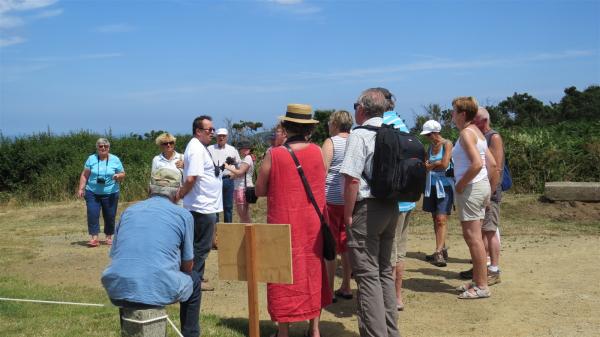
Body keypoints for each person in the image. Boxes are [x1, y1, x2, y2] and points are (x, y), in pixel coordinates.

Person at [255, 104, 330, 337]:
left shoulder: (274, 154)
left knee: (282, 273)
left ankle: (284, 331)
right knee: (313, 271)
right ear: (307, 128)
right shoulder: (318, 151)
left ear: (285, 127)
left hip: (283, 221)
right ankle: (314, 329)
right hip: (313, 224)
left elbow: (259, 189)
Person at [101, 168, 200, 337]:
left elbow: (116, 255)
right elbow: (188, 264)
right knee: (195, 279)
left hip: (116, 286)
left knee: (129, 276)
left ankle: (127, 330)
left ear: (149, 189)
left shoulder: (128, 212)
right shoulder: (183, 215)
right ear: (178, 193)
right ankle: (190, 334)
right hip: (155, 286)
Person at [340, 88, 401, 337]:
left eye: (355, 105)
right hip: (391, 207)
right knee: (385, 271)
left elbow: (352, 180)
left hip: (367, 208)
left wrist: (347, 214)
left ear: (362, 109)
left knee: (366, 276)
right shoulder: (394, 133)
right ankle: (390, 331)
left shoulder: (360, 135)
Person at [451, 97, 498, 299]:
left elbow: (478, 163)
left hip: (470, 189)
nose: (451, 115)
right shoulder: (478, 132)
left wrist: (461, 184)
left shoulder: (465, 134)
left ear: (462, 114)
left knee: (473, 239)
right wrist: (489, 190)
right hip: (481, 188)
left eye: (453, 111)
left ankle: (481, 286)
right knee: (476, 237)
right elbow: (493, 164)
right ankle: (480, 280)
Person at [378, 88, 417, 312]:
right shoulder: (402, 125)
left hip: (391, 201)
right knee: (400, 251)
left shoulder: (381, 125)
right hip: (408, 199)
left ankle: (389, 300)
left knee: (388, 253)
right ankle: (398, 297)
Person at [176, 116, 222, 292]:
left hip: (204, 204)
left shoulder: (199, 148)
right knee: (201, 246)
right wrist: (179, 195)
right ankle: (193, 280)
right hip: (201, 206)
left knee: (198, 244)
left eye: (213, 129)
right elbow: (191, 178)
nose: (213, 132)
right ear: (198, 131)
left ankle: (197, 276)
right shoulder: (196, 148)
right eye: (209, 129)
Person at [321, 110, 353, 303]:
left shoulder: (331, 142)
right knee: (346, 245)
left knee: (331, 245)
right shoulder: (356, 140)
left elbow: (323, 171)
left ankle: (329, 289)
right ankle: (347, 286)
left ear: (334, 123)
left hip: (331, 199)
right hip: (349, 199)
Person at [470, 107, 505, 285]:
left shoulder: (494, 137)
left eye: (474, 120)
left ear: (483, 120)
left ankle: (494, 269)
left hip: (490, 192)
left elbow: (496, 168)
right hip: (483, 191)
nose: (471, 123)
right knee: (482, 230)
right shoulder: (481, 137)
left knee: (490, 231)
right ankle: (481, 266)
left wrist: (489, 194)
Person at [77, 138, 125, 247]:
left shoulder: (115, 159)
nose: (103, 148)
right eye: (100, 146)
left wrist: (118, 176)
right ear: (97, 148)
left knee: (110, 215)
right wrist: (81, 188)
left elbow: (123, 174)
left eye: (106, 146)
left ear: (108, 148)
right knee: (92, 214)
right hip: (92, 192)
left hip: (111, 192)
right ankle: (94, 238)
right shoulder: (91, 159)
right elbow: (85, 175)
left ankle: (109, 237)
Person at [420, 120, 454, 267]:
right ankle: (441, 248)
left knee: (441, 218)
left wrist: (431, 165)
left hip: (444, 186)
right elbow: (426, 165)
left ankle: (439, 252)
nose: (427, 137)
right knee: (435, 218)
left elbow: (445, 164)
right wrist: (435, 165)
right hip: (431, 186)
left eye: (428, 134)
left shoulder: (447, 144)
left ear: (434, 133)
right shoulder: (430, 147)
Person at [207, 128, 241, 225]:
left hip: (227, 180)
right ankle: (215, 231)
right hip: (213, 180)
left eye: (223, 136)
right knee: (214, 206)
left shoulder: (232, 149)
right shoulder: (210, 149)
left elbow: (239, 165)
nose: (221, 138)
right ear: (216, 137)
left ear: (227, 137)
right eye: (219, 136)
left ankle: (228, 230)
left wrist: (234, 174)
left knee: (228, 207)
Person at [224, 141, 254, 223]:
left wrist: (228, 167)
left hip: (243, 189)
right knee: (243, 215)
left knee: (243, 216)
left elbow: (240, 172)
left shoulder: (248, 158)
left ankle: (248, 234)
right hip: (240, 188)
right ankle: (246, 233)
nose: (240, 151)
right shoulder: (245, 159)